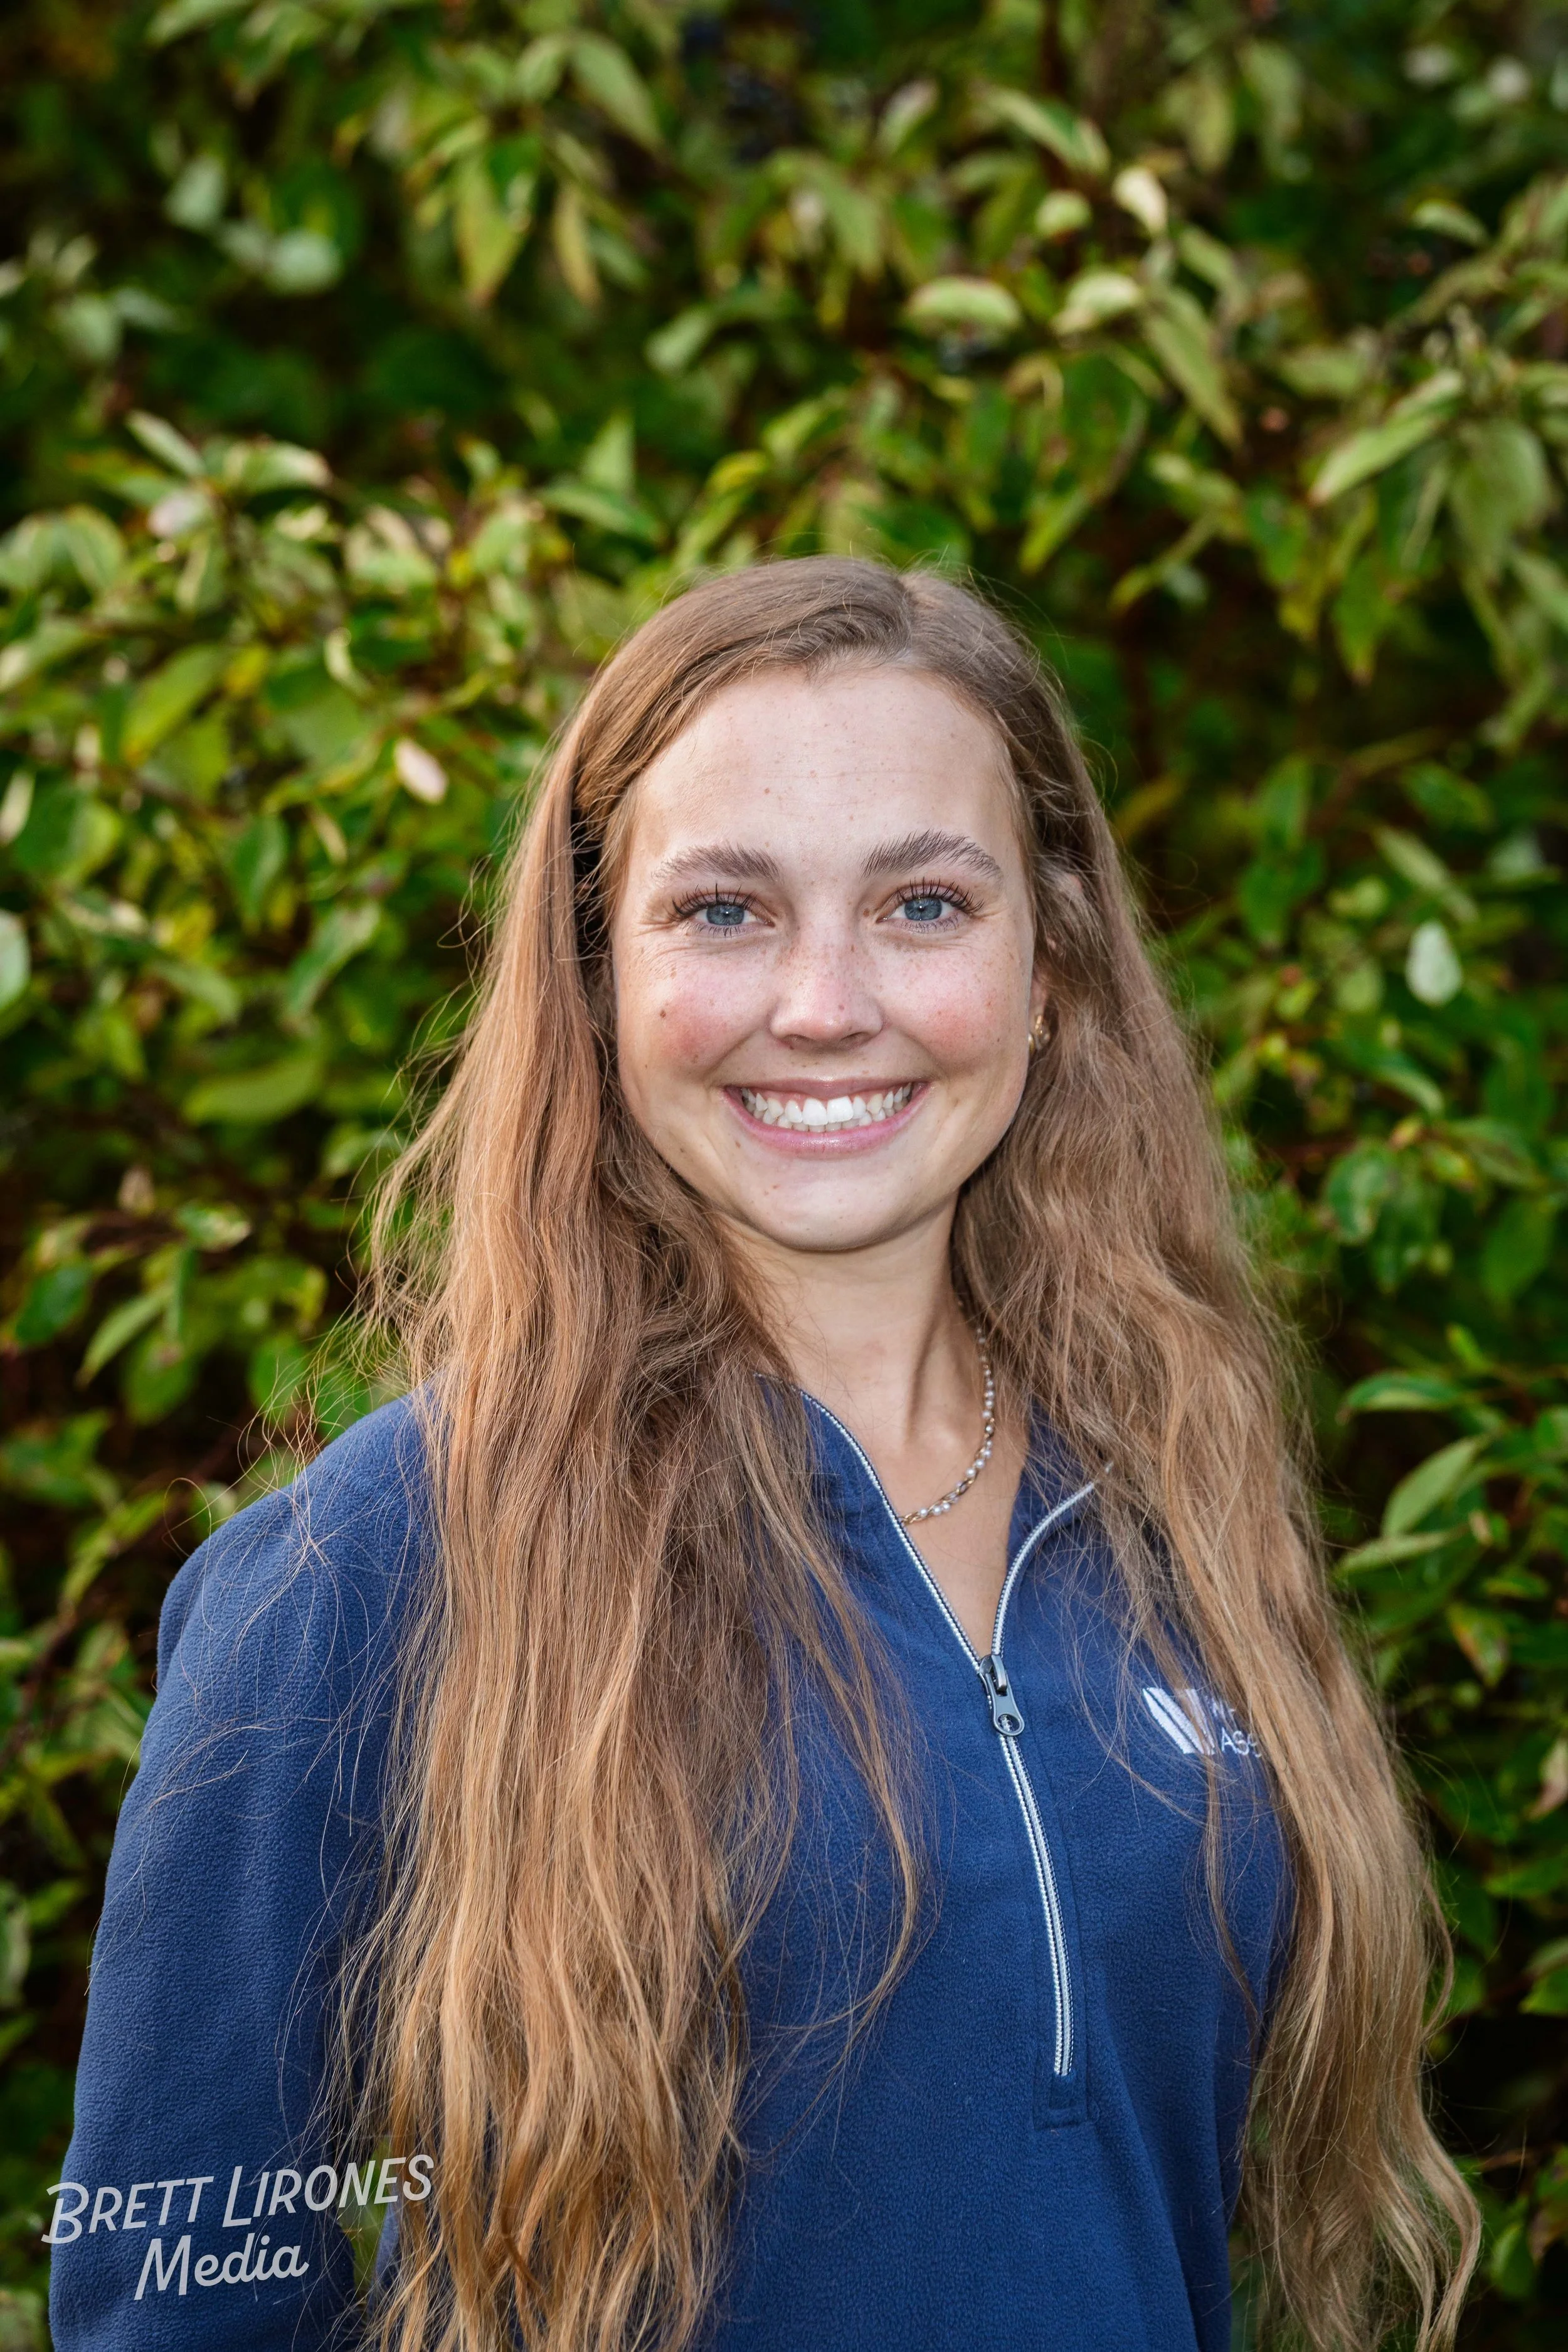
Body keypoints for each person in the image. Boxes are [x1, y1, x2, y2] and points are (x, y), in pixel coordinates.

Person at [50, 559, 1476, 2352]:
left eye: (922, 903)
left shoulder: (1172, 1508)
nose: (821, 1001)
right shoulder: (381, 1564)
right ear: (597, 975)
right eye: (724, 909)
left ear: (1051, 966)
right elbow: (166, 2289)